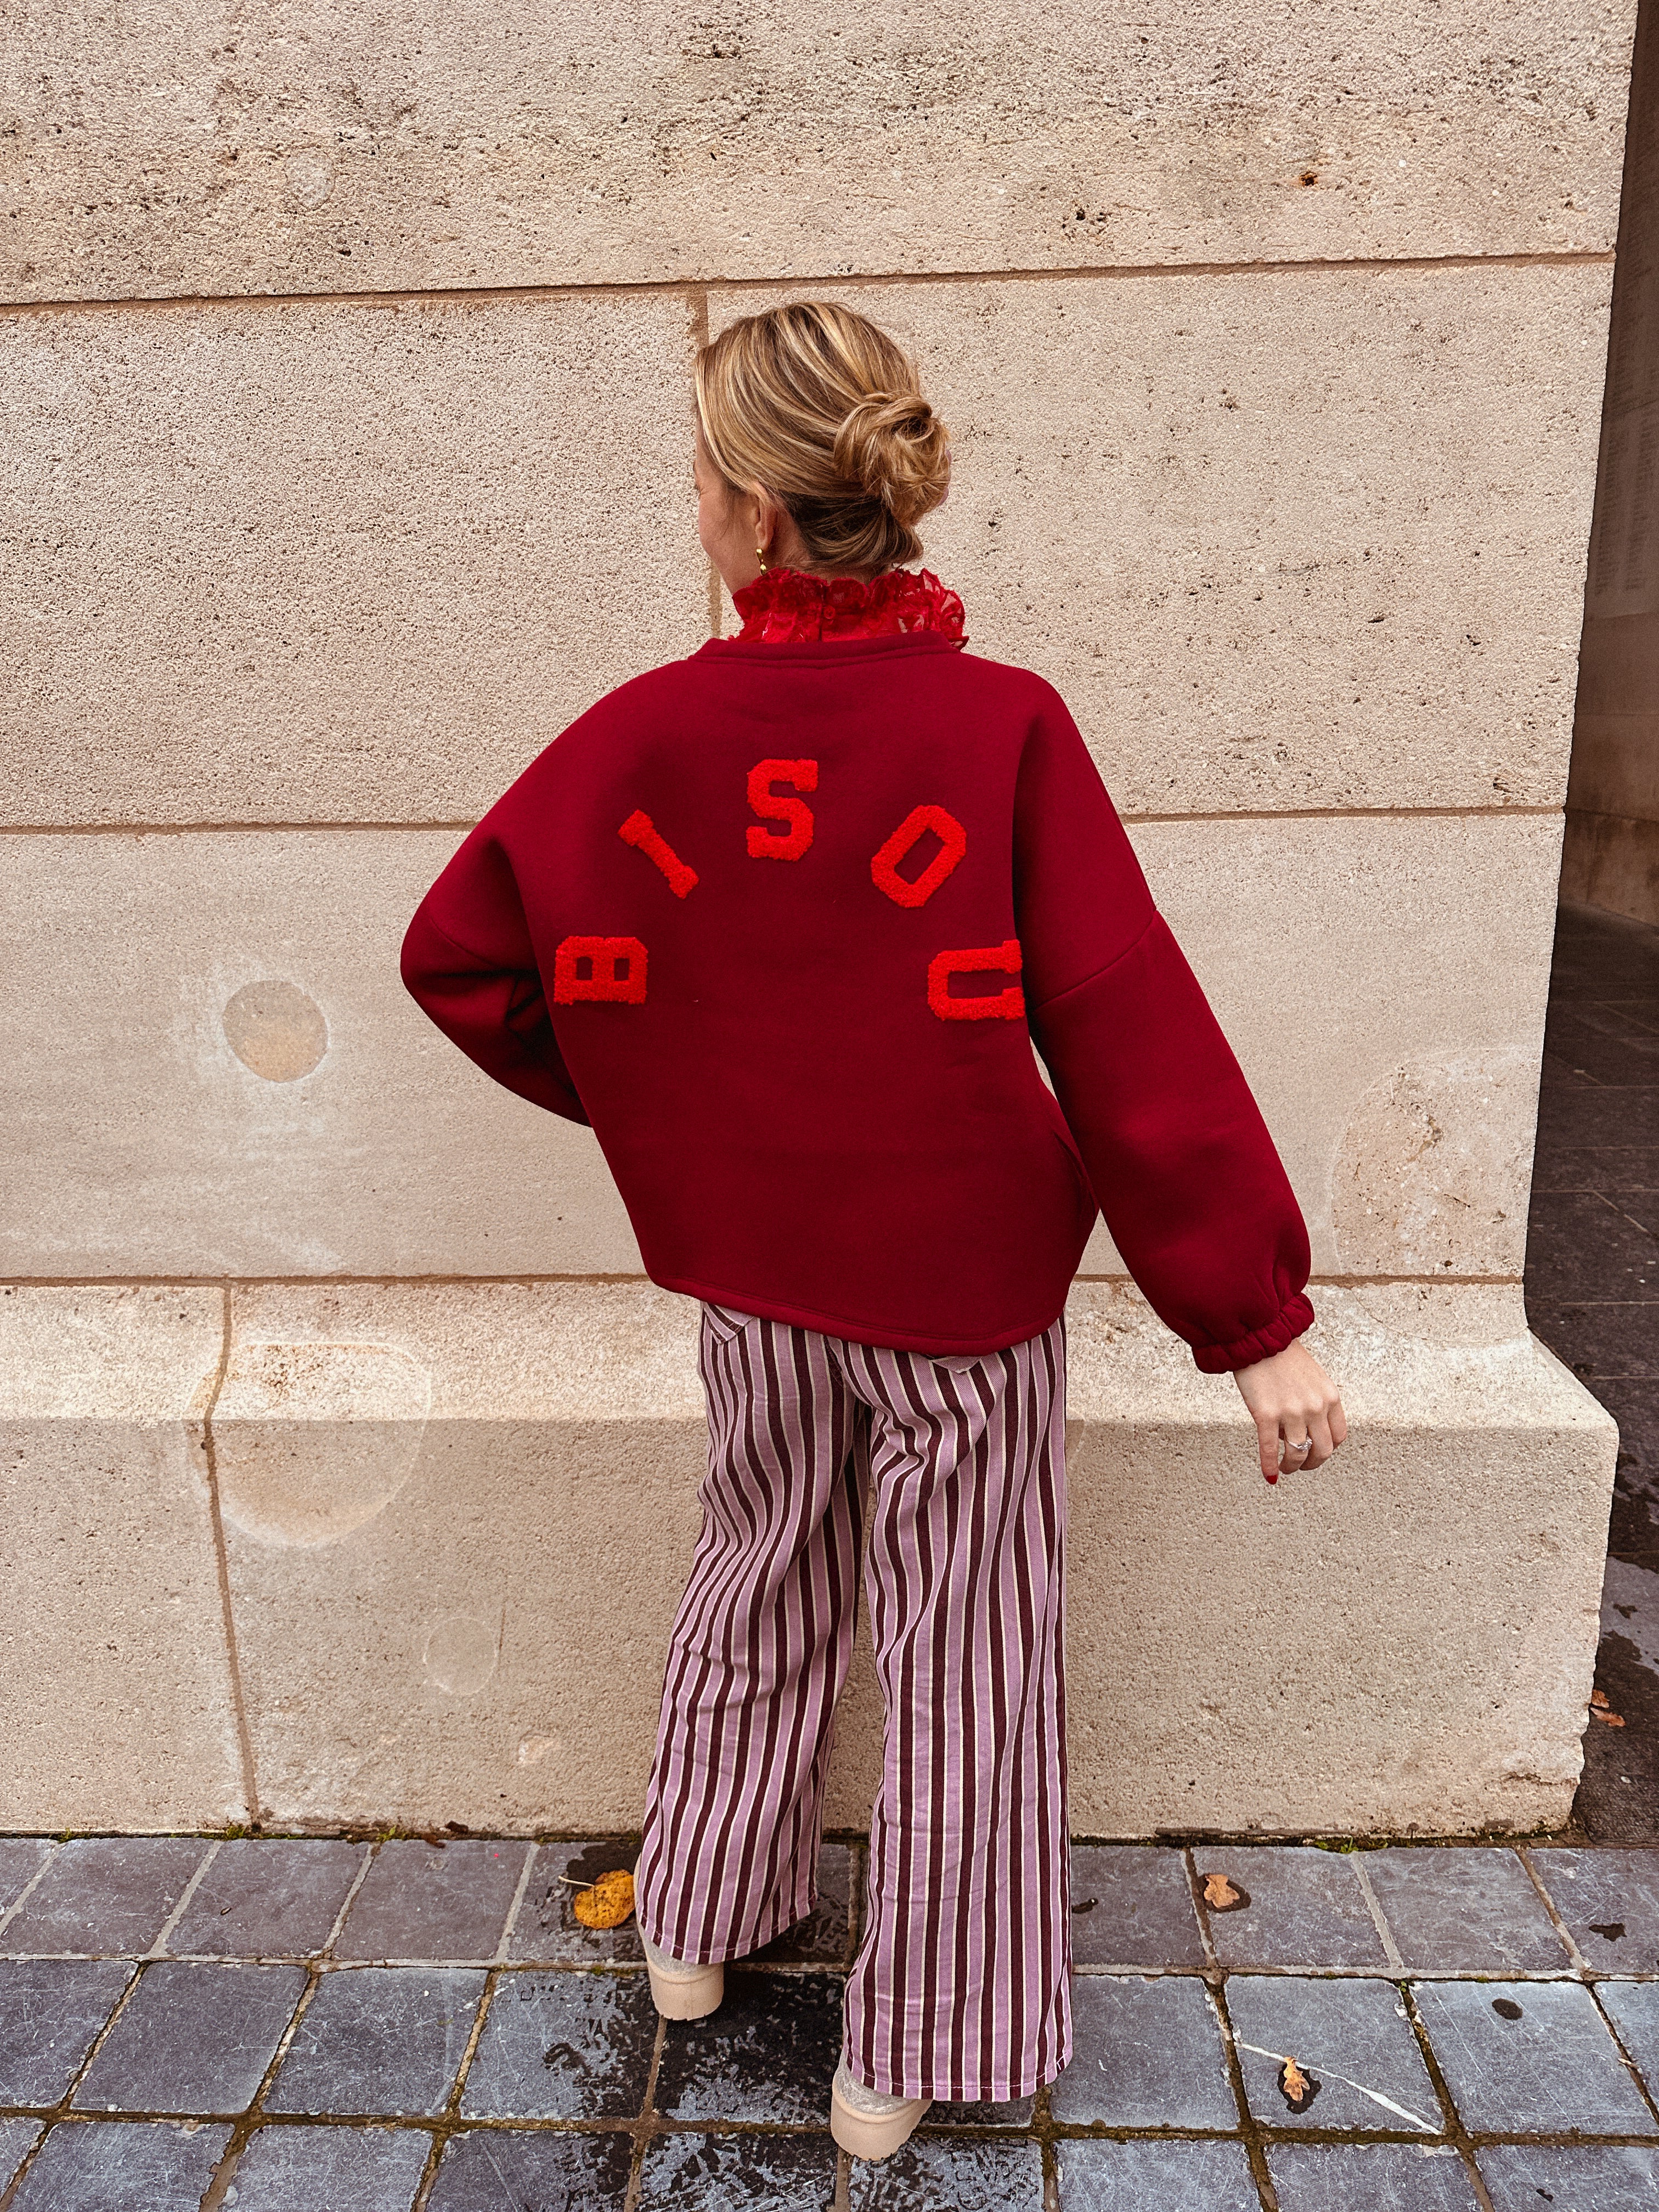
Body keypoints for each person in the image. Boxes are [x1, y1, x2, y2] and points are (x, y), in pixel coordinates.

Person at [400, 299, 1346, 2162]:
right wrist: (1255, 1319)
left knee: (755, 1578)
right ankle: (905, 2048)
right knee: (967, 1651)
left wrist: (676, 1111)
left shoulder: (642, 735)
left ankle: (697, 1921)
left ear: (751, 512)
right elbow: (1125, 1018)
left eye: (696, 468)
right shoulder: (1001, 728)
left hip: (751, 1287)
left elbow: (466, 958)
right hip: (960, 1302)